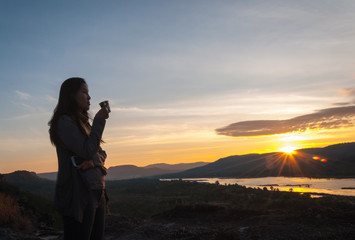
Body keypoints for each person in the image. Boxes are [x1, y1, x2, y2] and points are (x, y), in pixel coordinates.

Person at [48, 77, 109, 240]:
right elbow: (88, 150)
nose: (89, 97)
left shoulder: (85, 123)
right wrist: (100, 120)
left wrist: (93, 161)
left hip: (97, 190)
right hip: (78, 194)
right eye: (84, 92)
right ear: (71, 95)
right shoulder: (64, 121)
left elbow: (102, 153)